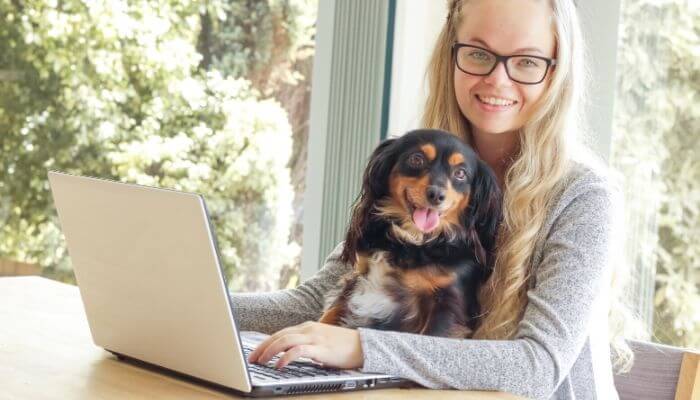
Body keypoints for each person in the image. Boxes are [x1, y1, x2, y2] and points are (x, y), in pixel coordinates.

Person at [235, 0, 634, 399]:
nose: (498, 79)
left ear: (557, 71)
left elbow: (536, 367)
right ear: (451, 54)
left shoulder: (584, 198)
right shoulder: (415, 175)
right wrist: (200, 304)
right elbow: (312, 302)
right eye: (478, 53)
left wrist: (360, 347)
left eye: (527, 61)